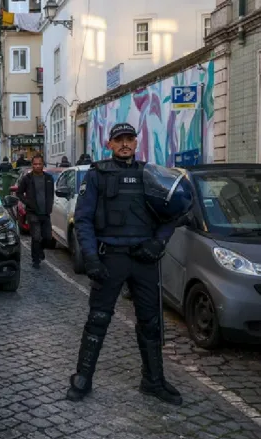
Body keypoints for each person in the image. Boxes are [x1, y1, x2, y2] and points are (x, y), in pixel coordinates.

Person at [66, 123, 193, 406]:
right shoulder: (97, 174)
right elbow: (83, 219)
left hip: (143, 258)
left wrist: (158, 243)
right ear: (109, 144)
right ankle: (82, 378)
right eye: (119, 140)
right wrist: (91, 259)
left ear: (137, 142)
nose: (125, 144)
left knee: (151, 322)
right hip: (110, 257)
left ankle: (153, 380)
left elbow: (170, 215)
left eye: (130, 139)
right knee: (98, 319)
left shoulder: (150, 174)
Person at [16, 154, 55, 269]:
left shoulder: (48, 178)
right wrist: (27, 202)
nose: (37, 166)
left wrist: (50, 205)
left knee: (47, 237)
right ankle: (35, 259)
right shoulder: (27, 179)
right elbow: (19, 193)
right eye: (35, 164)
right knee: (36, 236)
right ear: (32, 165)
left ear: (43, 164)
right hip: (33, 212)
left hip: (46, 212)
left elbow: (51, 194)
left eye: (39, 164)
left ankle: (40, 250)